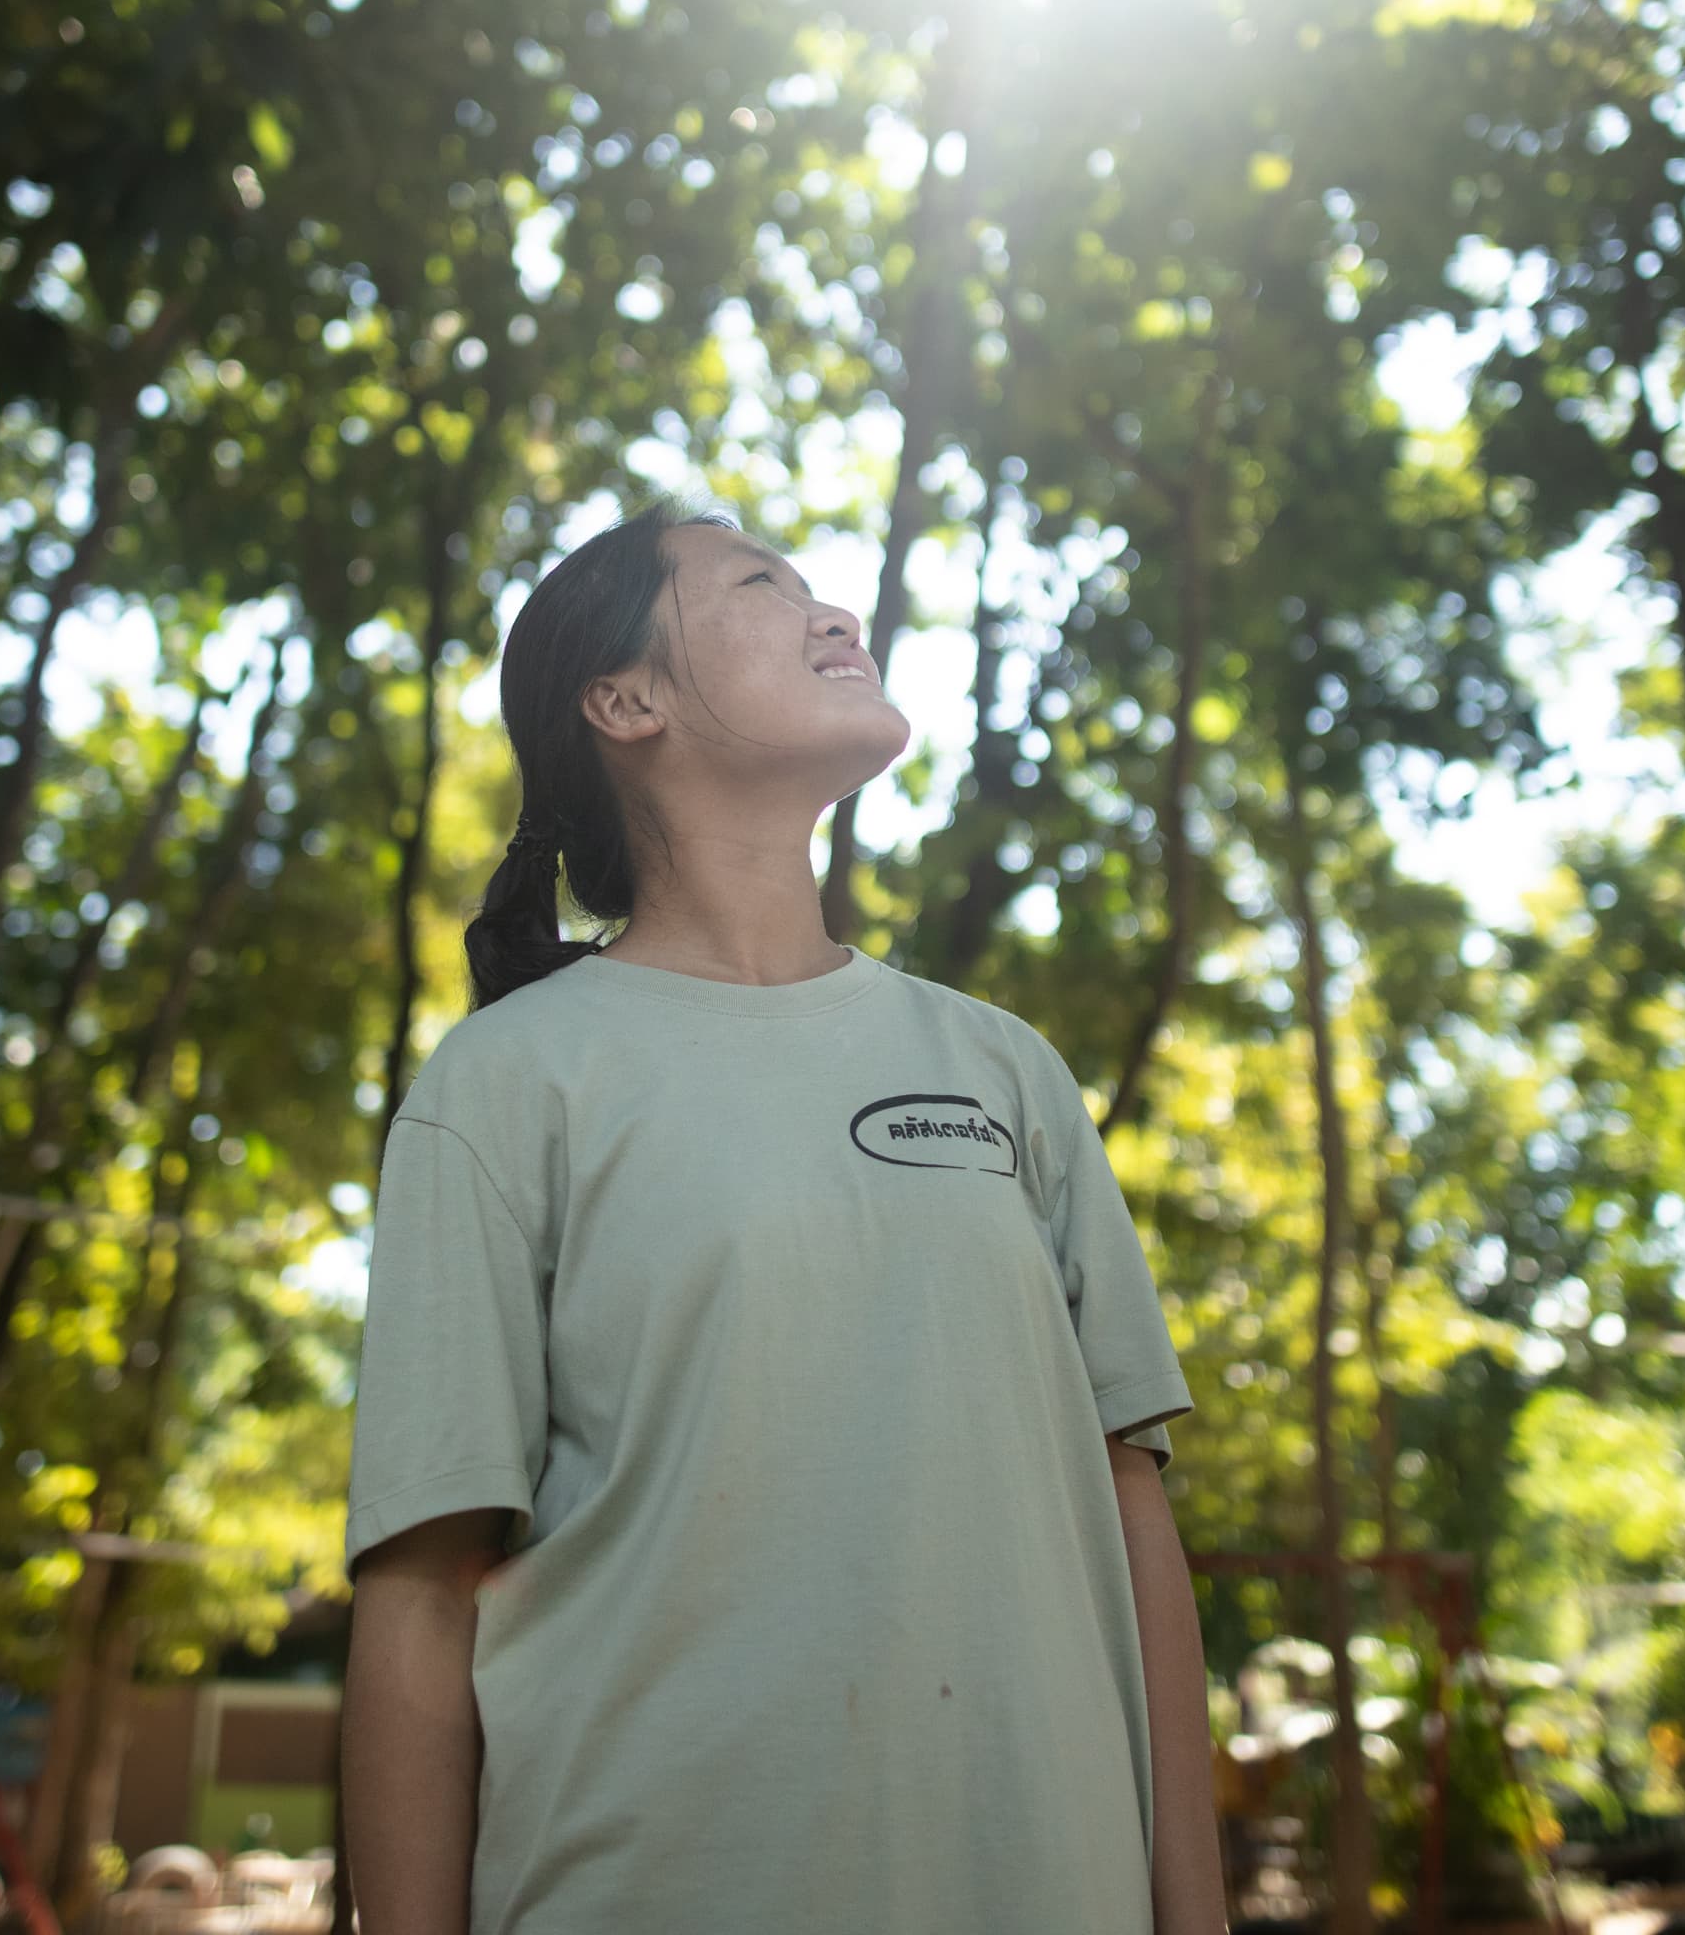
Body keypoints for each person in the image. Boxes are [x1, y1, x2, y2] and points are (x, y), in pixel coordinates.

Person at [340, 502, 1228, 1935]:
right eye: (764, 585)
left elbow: (1134, 1515)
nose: (836, 615)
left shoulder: (1002, 1069)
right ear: (624, 701)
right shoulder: (506, 1084)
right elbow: (423, 1597)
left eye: (823, 588)